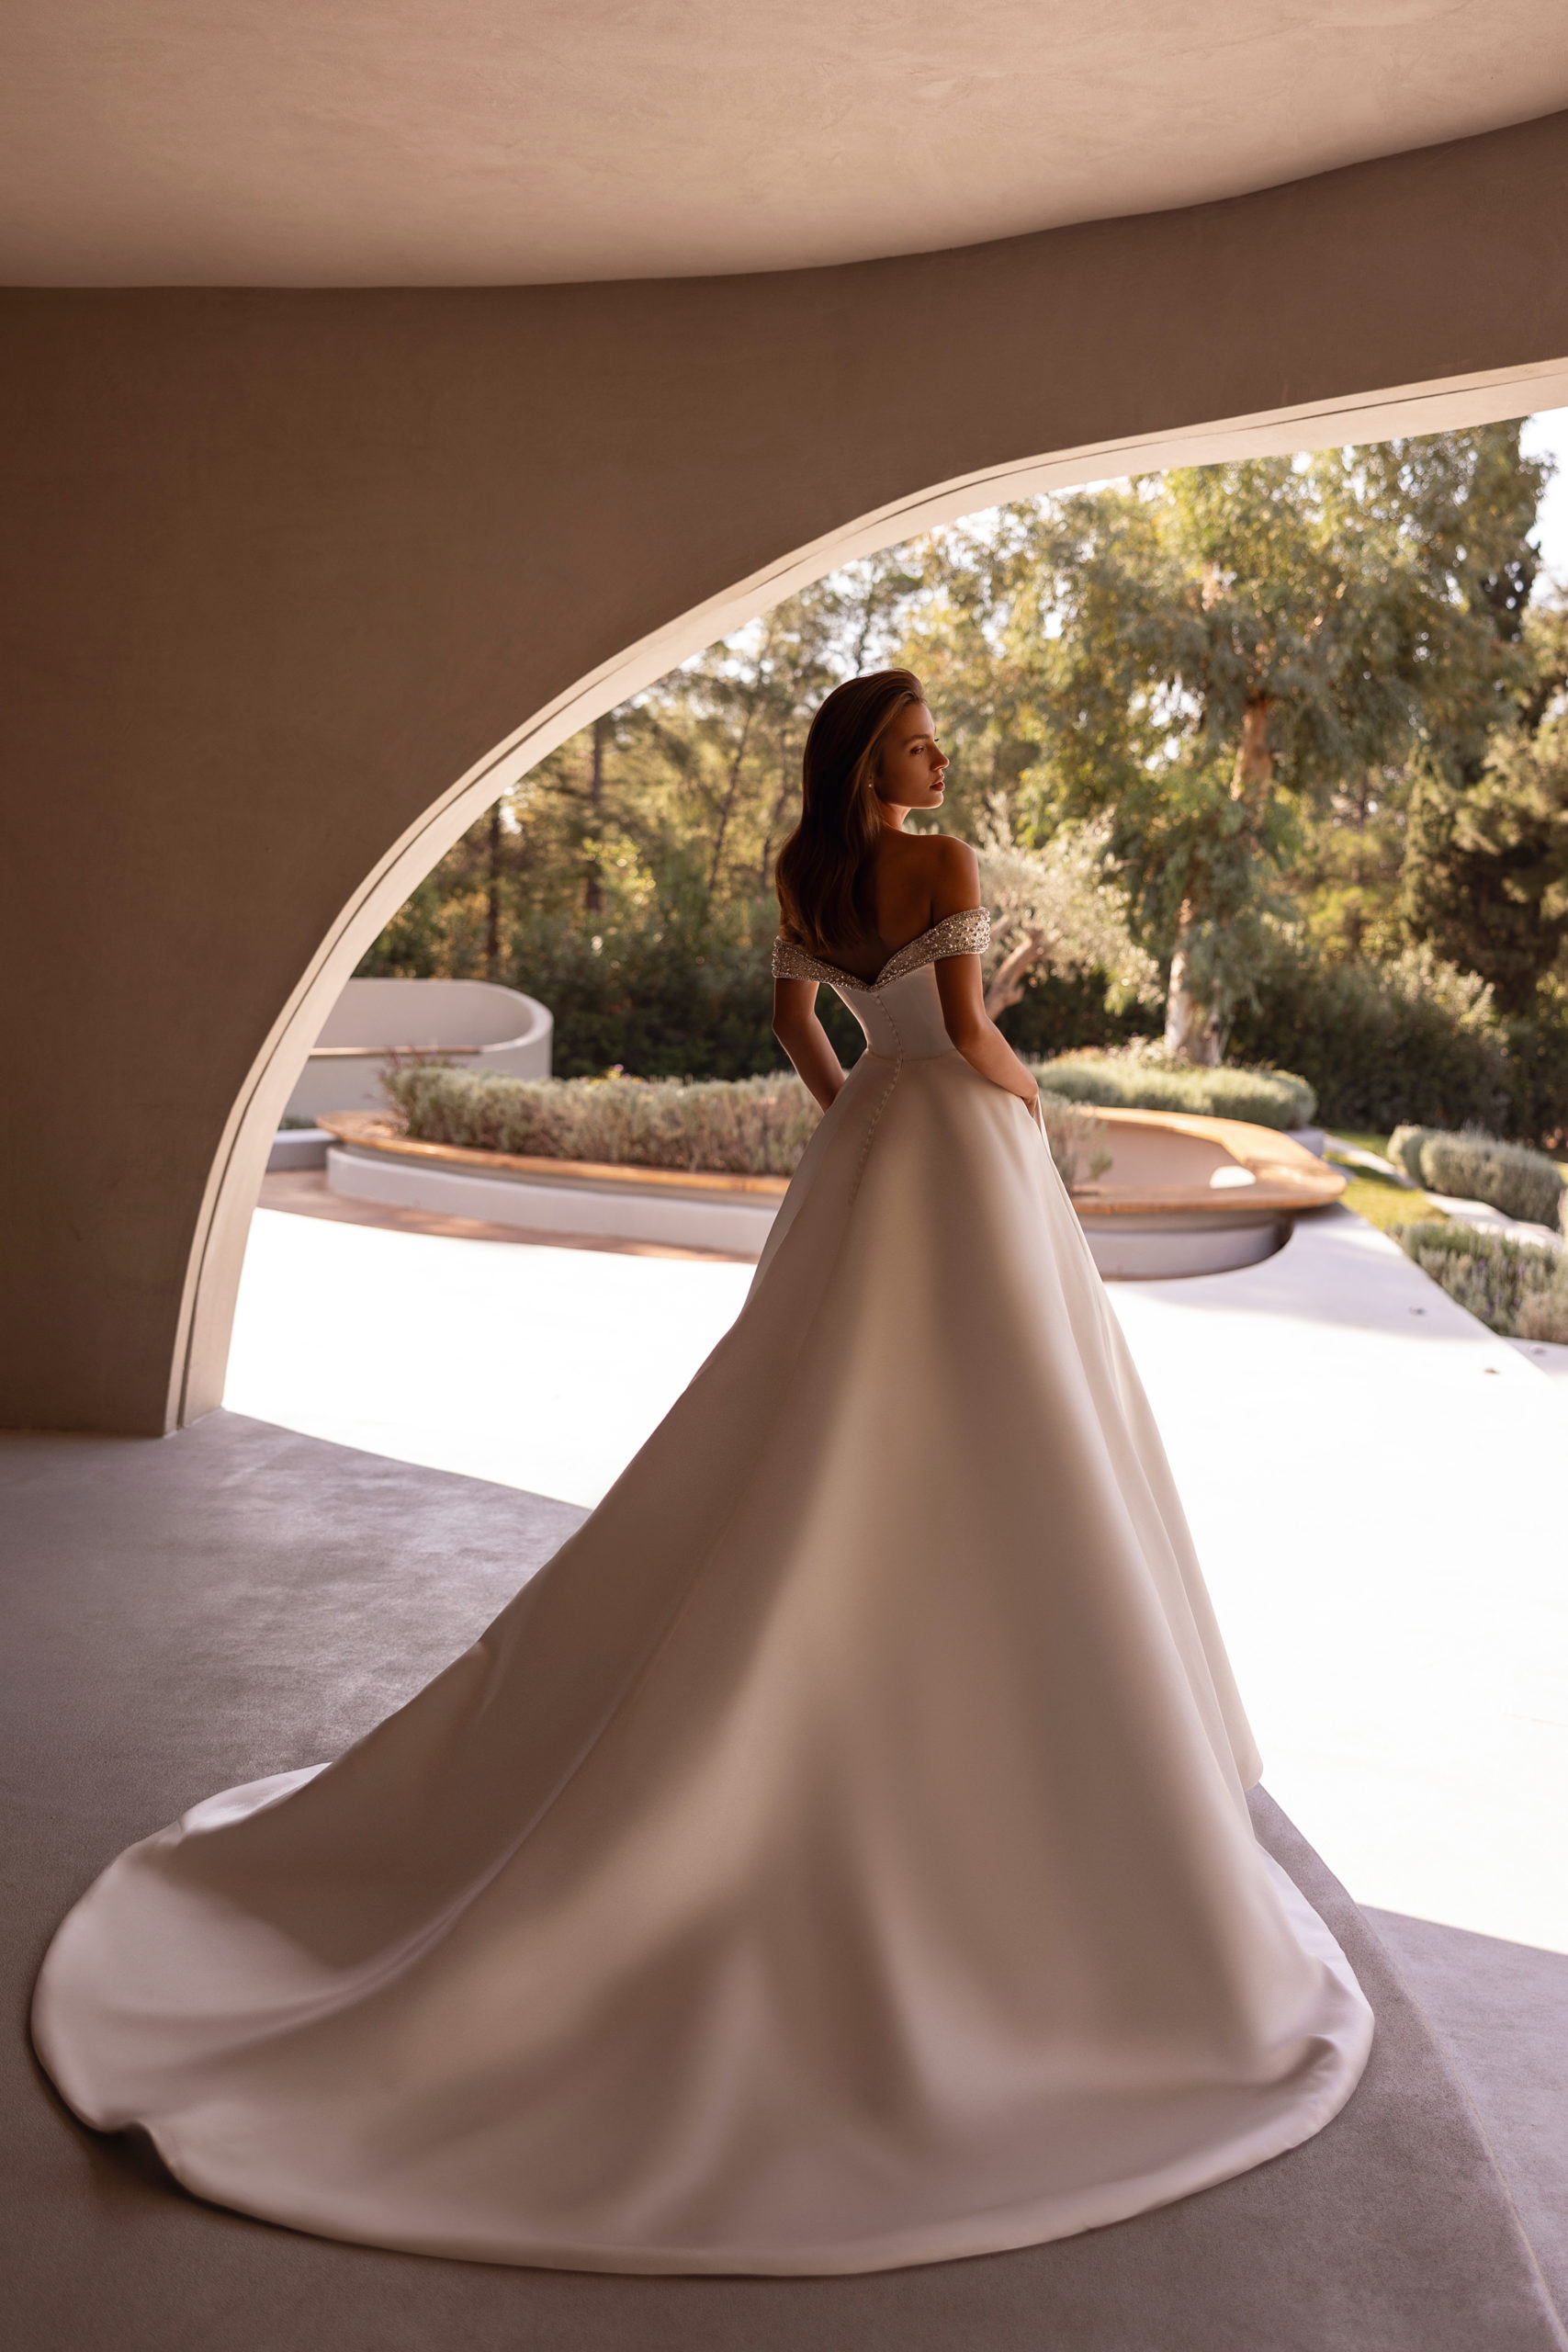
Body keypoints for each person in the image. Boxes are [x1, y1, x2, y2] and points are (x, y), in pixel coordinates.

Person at [32, 670, 1371, 2278]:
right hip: (959, 1148)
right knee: (1001, 1413)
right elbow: (966, 1035)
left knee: (820, 1411)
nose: (942, 758)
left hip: (870, 1148)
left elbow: (808, 1026)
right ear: (891, 755)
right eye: (926, 739)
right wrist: (1026, 1106)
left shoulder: (804, 873)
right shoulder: (938, 863)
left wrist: (862, 1110)